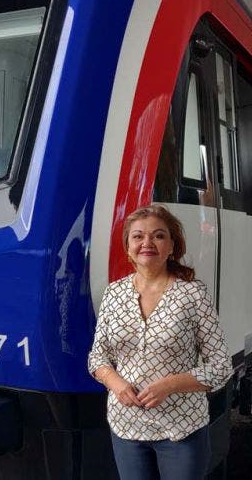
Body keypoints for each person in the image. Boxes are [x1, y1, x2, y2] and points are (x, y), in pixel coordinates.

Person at [88, 204, 232, 480]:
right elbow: (98, 357)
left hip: (181, 430)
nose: (147, 243)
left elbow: (221, 366)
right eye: (138, 236)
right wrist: (115, 383)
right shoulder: (113, 293)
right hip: (126, 427)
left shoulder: (193, 295)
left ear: (171, 247)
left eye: (158, 236)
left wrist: (170, 385)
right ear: (128, 246)